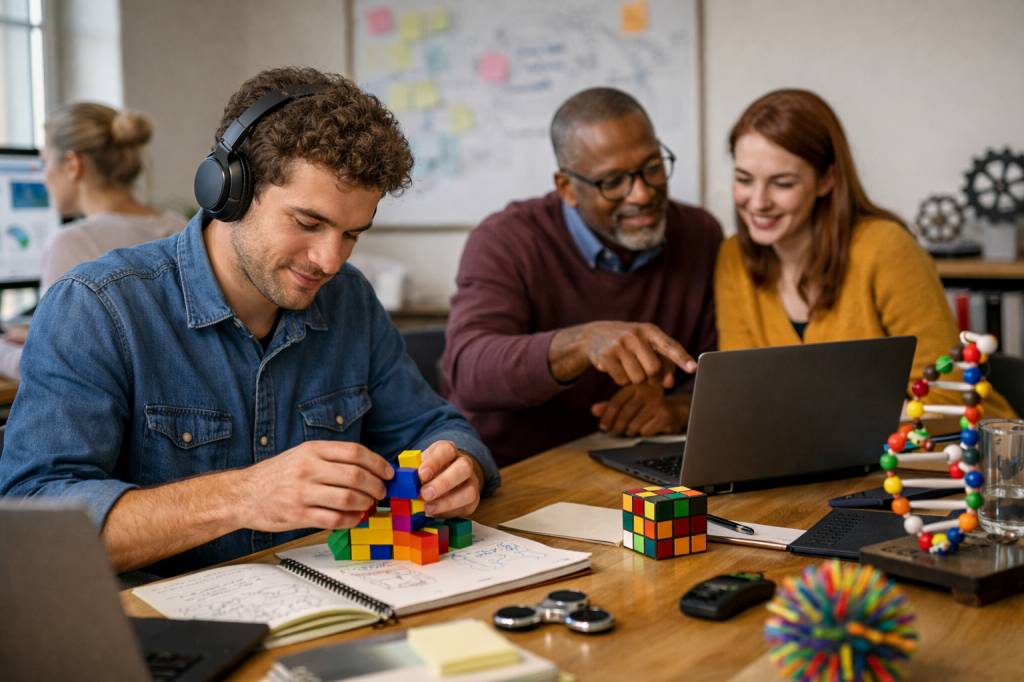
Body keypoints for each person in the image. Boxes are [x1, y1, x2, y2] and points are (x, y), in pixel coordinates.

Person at [0, 67, 500, 577]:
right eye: (308, 223)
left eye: (352, 233)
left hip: (329, 607)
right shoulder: (97, 308)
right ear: (228, 191)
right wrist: (242, 496)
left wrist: (460, 465)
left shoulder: (350, 300)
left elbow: (433, 425)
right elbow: (36, 522)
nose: (329, 260)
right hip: (164, 631)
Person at [442, 87, 723, 466]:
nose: (641, 194)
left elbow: (717, 374)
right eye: (612, 182)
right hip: (517, 474)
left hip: (640, 469)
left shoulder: (700, 234)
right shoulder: (505, 240)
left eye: (653, 168)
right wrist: (580, 343)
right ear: (567, 188)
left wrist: (674, 408)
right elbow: (467, 371)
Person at [715, 88, 1015, 417]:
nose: (757, 202)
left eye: (782, 183)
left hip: (959, 454)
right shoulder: (734, 258)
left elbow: (949, 398)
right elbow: (744, 399)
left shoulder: (885, 248)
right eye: (744, 179)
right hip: (825, 461)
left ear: (826, 180)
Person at [0, 103, 186, 379]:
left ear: (73, 164)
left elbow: (52, 366)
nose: (44, 176)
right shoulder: (177, 225)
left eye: (45, 162)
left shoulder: (71, 243)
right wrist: (36, 334)